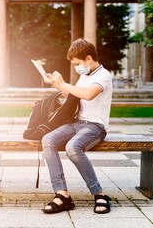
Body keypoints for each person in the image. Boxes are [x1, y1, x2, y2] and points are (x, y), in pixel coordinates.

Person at [41, 38, 113, 214]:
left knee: (73, 147)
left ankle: (99, 194)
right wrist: (58, 85)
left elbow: (88, 95)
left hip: (95, 126)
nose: (76, 68)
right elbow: (75, 96)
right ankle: (62, 194)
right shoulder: (84, 76)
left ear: (88, 59)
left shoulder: (104, 75)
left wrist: (64, 84)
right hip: (76, 122)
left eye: (77, 64)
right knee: (48, 139)